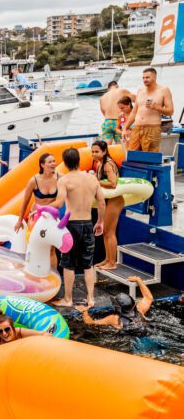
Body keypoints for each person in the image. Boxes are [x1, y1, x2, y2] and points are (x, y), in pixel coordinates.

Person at [49, 148, 105, 308]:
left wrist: (40, 208)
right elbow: (101, 203)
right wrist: (100, 222)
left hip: (71, 226)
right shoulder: (92, 179)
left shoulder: (64, 180)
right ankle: (91, 299)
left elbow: (59, 203)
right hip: (88, 223)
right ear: (79, 161)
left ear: (65, 163)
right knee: (88, 264)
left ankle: (68, 299)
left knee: (68, 263)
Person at [76, 276, 153, 330]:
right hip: (143, 331)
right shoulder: (140, 310)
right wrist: (138, 280)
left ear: (118, 307)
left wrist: (84, 311)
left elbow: (90, 322)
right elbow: (149, 298)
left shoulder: (114, 319)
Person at [125, 67, 174, 152]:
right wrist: (125, 128)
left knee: (150, 157)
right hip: (137, 128)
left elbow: (171, 111)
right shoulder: (140, 90)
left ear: (154, 77)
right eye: (143, 78)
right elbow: (134, 112)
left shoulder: (164, 90)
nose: (145, 80)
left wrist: (156, 107)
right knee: (132, 155)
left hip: (153, 128)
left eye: (147, 77)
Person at [91, 140, 123, 270]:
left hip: (115, 200)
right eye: (92, 152)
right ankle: (107, 259)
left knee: (110, 232)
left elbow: (113, 183)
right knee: (105, 232)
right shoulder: (100, 163)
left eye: (97, 151)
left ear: (104, 151)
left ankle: (112, 262)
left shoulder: (108, 164)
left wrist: (96, 181)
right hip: (108, 200)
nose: (94, 154)